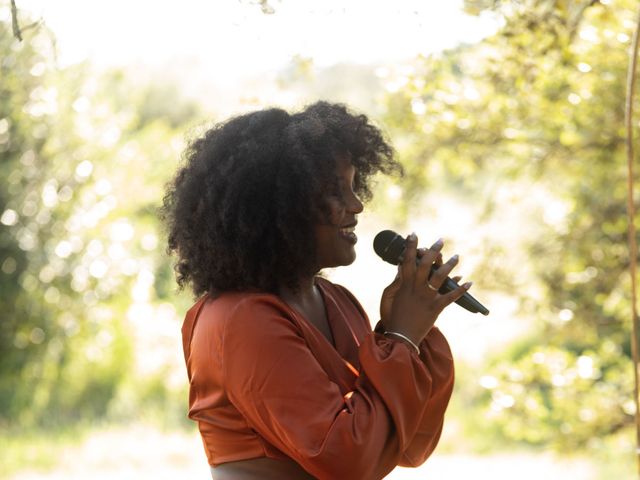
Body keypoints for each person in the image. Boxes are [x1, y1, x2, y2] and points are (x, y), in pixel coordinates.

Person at [161, 101, 472, 479]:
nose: (357, 205)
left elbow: (409, 444)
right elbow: (345, 459)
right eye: (334, 191)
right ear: (277, 205)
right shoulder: (241, 319)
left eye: (354, 185)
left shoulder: (337, 302)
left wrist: (408, 333)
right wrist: (402, 339)